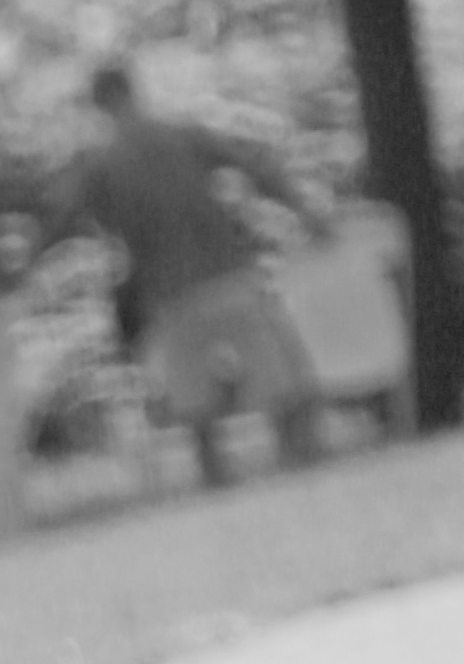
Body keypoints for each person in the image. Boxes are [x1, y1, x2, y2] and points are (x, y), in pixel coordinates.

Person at [35, 59, 322, 480]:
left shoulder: (101, 162)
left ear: (99, 106)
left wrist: (24, 270)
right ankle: (301, 463)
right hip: (226, 270)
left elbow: (61, 219)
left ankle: (216, 480)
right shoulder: (180, 133)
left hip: (169, 289)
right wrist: (305, 211)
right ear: (132, 90)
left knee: (194, 403)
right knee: (277, 380)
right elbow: (252, 166)